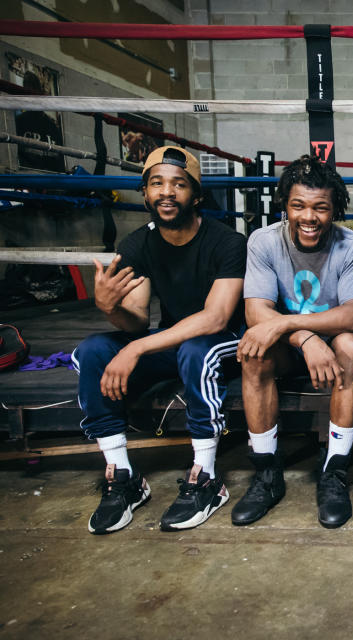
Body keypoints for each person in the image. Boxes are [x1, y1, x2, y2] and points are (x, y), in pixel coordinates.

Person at [72, 146, 246, 534]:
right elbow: (134, 321)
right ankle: (123, 476)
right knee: (93, 350)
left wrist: (137, 348)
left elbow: (215, 317)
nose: (167, 192)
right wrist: (108, 307)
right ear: (146, 193)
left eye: (179, 184)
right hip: (171, 343)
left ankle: (207, 477)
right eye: (157, 183)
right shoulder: (137, 245)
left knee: (196, 350)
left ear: (196, 195)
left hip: (225, 342)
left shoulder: (227, 242)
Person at [233, 156, 353, 528]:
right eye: (298, 206)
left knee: (350, 346)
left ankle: (334, 470)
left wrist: (297, 326)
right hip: (293, 346)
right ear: (285, 206)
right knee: (253, 352)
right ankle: (266, 472)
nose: (308, 217)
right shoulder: (263, 242)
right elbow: (256, 312)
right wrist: (306, 338)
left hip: (337, 342)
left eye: (320, 208)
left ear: (335, 210)